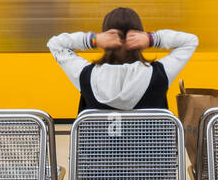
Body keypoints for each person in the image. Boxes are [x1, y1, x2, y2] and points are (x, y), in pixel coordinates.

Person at [47, 7, 197, 112]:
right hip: (151, 158)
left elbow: (55, 44)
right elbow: (190, 41)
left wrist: (93, 40)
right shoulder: (160, 74)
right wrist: (152, 39)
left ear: (106, 37)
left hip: (97, 159)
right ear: (139, 36)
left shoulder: (86, 75)